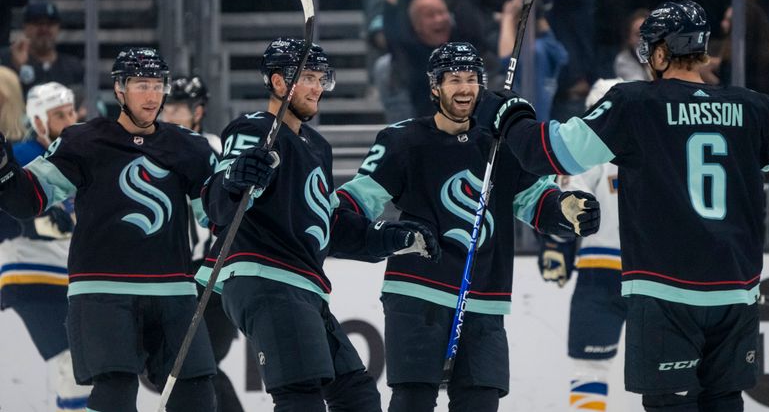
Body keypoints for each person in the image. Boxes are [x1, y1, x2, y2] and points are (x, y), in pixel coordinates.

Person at [477, 0, 769, 411]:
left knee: (669, 403)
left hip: (665, 289)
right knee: (724, 399)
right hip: (735, 290)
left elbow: (552, 154)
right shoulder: (752, 107)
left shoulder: (636, 104)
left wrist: (510, 116)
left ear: (662, 53)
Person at [336, 42, 601, 412]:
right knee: (412, 400)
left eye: (472, 79)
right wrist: (364, 229)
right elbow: (354, 202)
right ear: (434, 87)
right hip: (418, 294)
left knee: (480, 403)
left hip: (485, 297)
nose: (465, 88)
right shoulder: (403, 141)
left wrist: (566, 210)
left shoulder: (501, 145)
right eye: (454, 79)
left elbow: (536, 202)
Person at [197, 37, 441, 412]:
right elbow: (217, 202)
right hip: (265, 278)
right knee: (301, 396)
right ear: (278, 83)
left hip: (304, 286)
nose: (317, 88)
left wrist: (394, 236)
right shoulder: (255, 128)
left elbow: (328, 227)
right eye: (308, 77)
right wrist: (235, 179)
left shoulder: (316, 146)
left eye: (321, 78)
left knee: (356, 395)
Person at [0, 48, 219, 411]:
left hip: (173, 292)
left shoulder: (189, 147)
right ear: (119, 89)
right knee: (114, 395)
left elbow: (215, 215)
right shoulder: (82, 141)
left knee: (196, 395)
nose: (152, 96)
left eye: (158, 85)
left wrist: (244, 186)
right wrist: (5, 170)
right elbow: (30, 199)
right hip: (103, 291)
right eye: (141, 85)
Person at [536, 78, 626, 412]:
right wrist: (557, 245)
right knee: (670, 372)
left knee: (591, 367)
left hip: (602, 276)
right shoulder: (662, 151)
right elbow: (570, 202)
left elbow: (569, 203)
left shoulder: (587, 156)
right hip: (648, 274)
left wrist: (556, 245)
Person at [0, 82, 90, 411]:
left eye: (70, 112)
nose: (69, 120)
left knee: (88, 365)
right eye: (58, 115)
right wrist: (35, 222)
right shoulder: (20, 157)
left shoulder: (84, 157)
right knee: (73, 364)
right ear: (38, 121)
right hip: (30, 276)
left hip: (71, 277)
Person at [160, 73, 243, 412]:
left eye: (179, 106)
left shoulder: (212, 147)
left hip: (209, 274)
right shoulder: (155, 146)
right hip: (171, 275)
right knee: (187, 370)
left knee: (197, 367)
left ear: (198, 111)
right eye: (169, 106)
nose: (171, 114)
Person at [0, 0, 84, 95]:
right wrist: (19, 68)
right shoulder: (7, 60)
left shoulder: (73, 67)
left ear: (58, 28)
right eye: (37, 23)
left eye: (50, 24)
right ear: (25, 27)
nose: (44, 29)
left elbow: (93, 102)